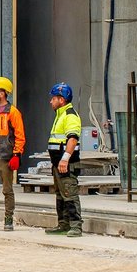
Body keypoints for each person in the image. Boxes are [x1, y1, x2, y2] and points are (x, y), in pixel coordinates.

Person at [0, 77, 26, 231]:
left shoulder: (12, 112)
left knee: (7, 190)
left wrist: (16, 155)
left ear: (2, 93)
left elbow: (20, 136)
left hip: (5, 158)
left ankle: (8, 219)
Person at [45, 82, 83, 237]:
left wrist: (65, 159)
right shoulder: (60, 115)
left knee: (70, 194)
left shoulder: (70, 116)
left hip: (66, 164)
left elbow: (72, 139)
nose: (50, 101)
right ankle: (63, 224)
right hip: (58, 163)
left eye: (53, 98)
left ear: (61, 100)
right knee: (61, 195)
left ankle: (76, 226)